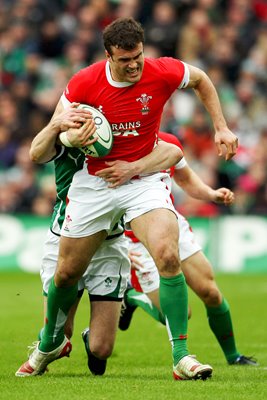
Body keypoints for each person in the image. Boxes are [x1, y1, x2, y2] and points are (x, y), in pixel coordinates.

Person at [16, 17, 238, 380]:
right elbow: (50, 139)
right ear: (108, 56)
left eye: (138, 56)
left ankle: (181, 356)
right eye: (124, 60)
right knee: (66, 273)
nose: (134, 65)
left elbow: (201, 79)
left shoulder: (161, 71)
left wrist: (221, 126)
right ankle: (48, 344)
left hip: (142, 179)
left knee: (168, 254)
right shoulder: (84, 82)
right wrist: (65, 128)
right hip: (95, 182)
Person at [16, 107, 184, 377]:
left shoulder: (123, 140)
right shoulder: (64, 139)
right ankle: (49, 344)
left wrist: (136, 166)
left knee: (101, 348)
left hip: (109, 245)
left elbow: (174, 151)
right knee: (61, 331)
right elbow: (35, 154)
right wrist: (56, 124)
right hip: (66, 240)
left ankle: (89, 338)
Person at [115, 132, 258, 367]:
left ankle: (234, 357)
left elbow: (185, 179)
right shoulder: (114, 147)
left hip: (171, 226)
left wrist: (212, 194)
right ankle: (132, 297)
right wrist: (116, 243)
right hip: (136, 240)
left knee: (210, 292)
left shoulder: (168, 143)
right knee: (181, 313)